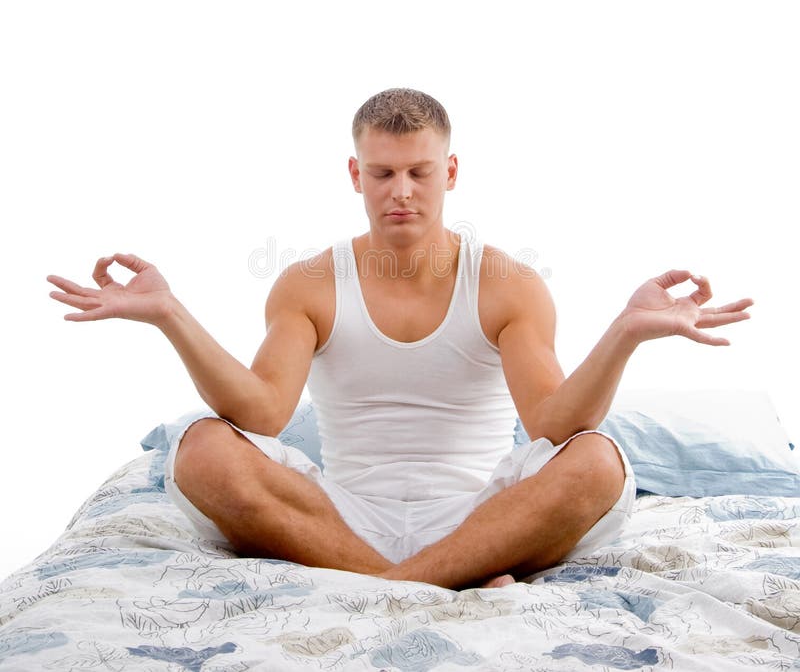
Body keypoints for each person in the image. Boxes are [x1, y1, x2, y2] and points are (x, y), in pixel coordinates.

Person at [47, 87, 753, 590]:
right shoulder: (309, 283)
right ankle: (424, 582)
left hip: (481, 517)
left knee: (598, 459)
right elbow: (261, 411)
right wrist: (170, 312)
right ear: (356, 174)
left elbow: (551, 423)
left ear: (450, 172)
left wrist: (626, 331)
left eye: (420, 172)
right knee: (200, 447)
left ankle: (400, 581)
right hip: (340, 516)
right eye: (382, 173)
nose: (402, 192)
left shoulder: (508, 283)